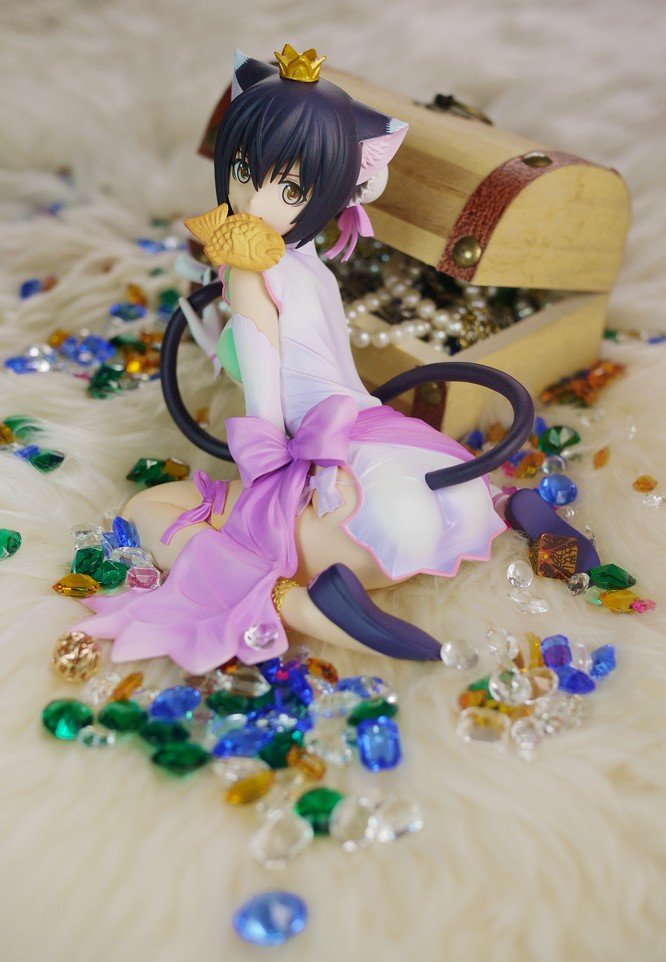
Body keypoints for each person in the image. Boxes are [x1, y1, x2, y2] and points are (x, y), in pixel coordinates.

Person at [74, 45, 532, 674]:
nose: (254, 200)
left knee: (150, 510)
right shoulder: (313, 263)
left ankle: (298, 606)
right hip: (416, 453)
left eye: (289, 188)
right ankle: (514, 511)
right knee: (438, 503)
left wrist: (272, 478)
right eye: (244, 169)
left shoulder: (250, 268)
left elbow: (267, 398)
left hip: (342, 482)